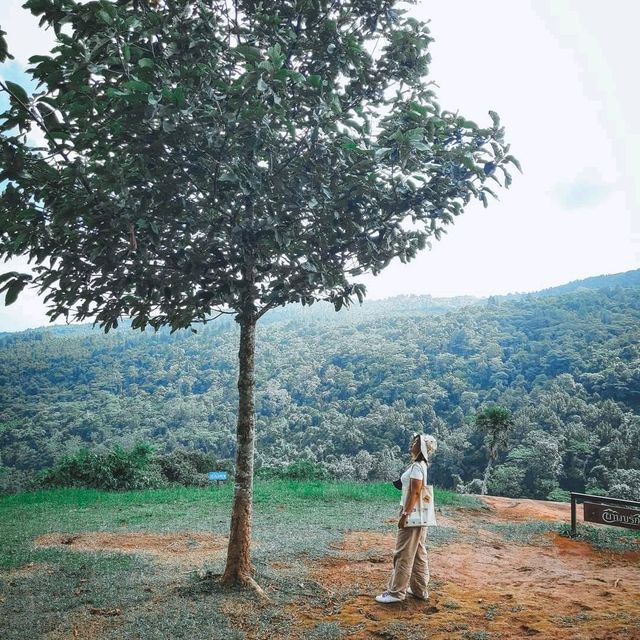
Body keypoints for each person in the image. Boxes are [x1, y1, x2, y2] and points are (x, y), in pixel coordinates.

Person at [375, 433, 437, 604]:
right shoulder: (421, 465)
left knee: (403, 553)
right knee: (418, 552)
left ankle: (396, 592)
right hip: (420, 516)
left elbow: (416, 492)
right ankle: (419, 590)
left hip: (412, 515)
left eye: (416, 442)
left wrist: (405, 514)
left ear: (422, 448)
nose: (412, 443)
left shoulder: (417, 466)